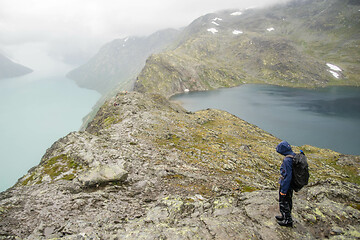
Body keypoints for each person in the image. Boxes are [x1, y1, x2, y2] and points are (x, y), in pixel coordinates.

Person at [275, 140, 295, 227]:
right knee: (288, 200)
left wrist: (283, 190)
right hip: (291, 185)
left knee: (284, 201)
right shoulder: (293, 156)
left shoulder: (287, 160)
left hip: (286, 185)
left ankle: (287, 220)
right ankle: (284, 216)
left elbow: (288, 176)